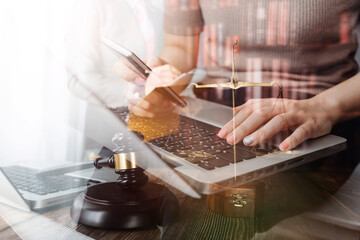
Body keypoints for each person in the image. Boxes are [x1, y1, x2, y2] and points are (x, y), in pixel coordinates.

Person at [115, 0, 360, 155]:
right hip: (213, 109)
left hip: (319, 112)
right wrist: (161, 77)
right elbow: (180, 47)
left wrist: (323, 107)